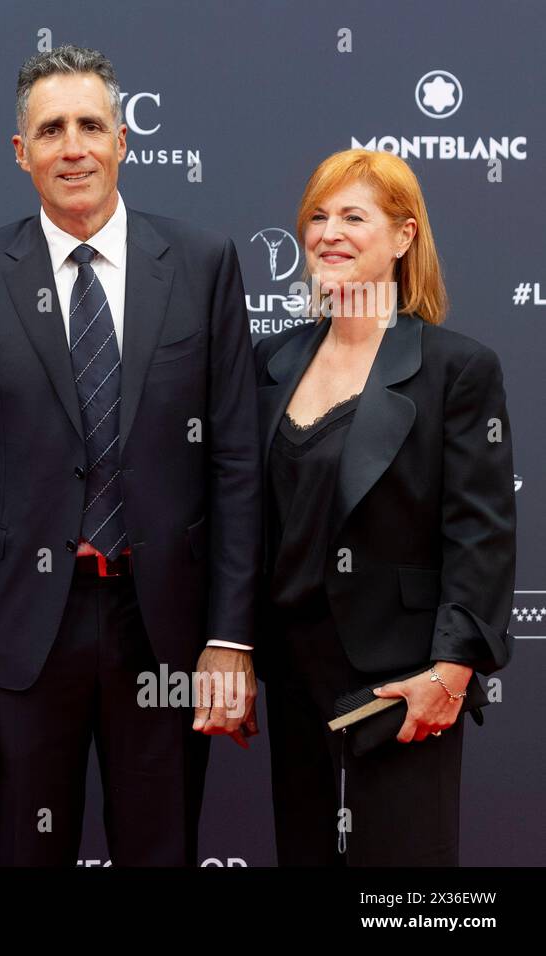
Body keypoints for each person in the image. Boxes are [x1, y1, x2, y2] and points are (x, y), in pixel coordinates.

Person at [0, 45, 261, 866]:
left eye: (90, 126)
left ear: (122, 140)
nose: (73, 146)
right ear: (21, 152)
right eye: (51, 129)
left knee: (162, 849)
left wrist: (231, 638)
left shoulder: (204, 265)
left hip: (167, 629)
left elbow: (238, 464)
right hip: (21, 633)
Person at [253, 148, 515, 866]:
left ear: (403, 237)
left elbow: (480, 533)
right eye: (318, 215)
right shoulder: (268, 364)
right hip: (293, 673)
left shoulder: (455, 368)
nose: (328, 232)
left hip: (402, 678)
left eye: (353, 216)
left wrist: (450, 673)